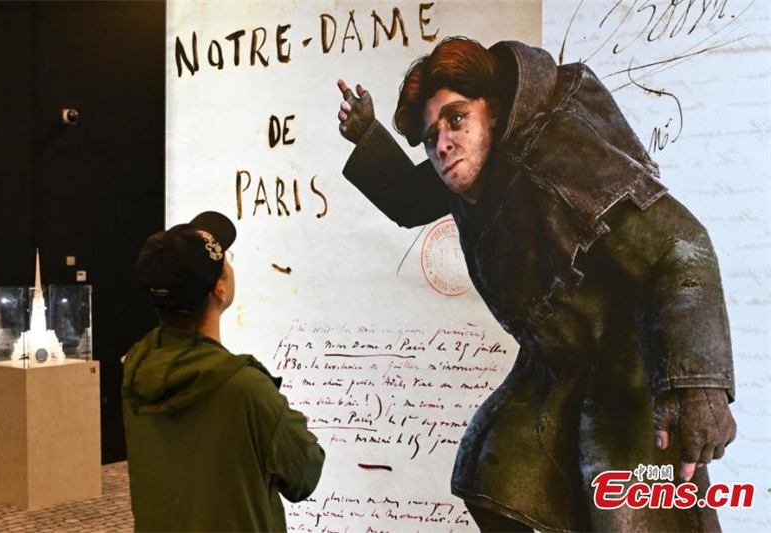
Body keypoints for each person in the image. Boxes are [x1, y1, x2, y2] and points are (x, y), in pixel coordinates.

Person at [336, 37, 736, 532]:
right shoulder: (473, 167)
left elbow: (680, 243)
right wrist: (368, 135)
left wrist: (699, 389)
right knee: (495, 467)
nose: (442, 144)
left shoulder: (557, 153)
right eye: (431, 134)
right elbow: (411, 200)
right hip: (556, 365)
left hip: (628, 366)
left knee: (630, 513)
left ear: (496, 112)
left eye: (456, 119)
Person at [122, 211, 324, 532]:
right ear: (219, 288)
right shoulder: (247, 389)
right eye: (225, 260)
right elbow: (304, 474)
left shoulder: (136, 367)